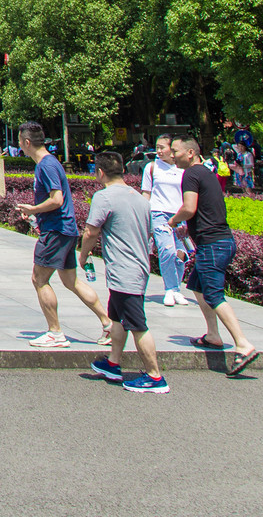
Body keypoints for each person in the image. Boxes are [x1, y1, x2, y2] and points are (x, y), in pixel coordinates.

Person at [166, 134, 260, 375]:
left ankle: (243, 344)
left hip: (212, 245)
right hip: (222, 241)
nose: (172, 155)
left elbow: (189, 207)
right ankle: (213, 335)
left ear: (190, 153)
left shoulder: (191, 174)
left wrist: (174, 220)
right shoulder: (206, 172)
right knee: (197, 286)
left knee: (215, 295)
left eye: (175, 151)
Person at [81, 151, 167, 393]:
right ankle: (113, 363)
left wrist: (83, 254)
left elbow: (91, 231)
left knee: (138, 324)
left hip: (124, 270)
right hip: (137, 266)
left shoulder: (104, 197)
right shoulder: (139, 198)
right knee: (117, 317)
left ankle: (155, 376)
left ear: (100, 172)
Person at [17, 121, 108, 348]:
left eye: (20, 142)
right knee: (71, 281)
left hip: (56, 232)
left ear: (27, 143)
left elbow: (56, 200)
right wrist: (37, 215)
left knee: (39, 279)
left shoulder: (46, 165)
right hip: (65, 230)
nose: (20, 146)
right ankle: (109, 324)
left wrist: (33, 209)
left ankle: (55, 333)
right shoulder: (50, 164)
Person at [139, 134, 186, 307]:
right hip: (159, 214)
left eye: (162, 147)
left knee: (181, 254)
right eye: (157, 147)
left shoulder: (183, 168)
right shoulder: (152, 168)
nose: (158, 151)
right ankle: (170, 289)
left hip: (181, 216)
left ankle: (176, 289)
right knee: (167, 251)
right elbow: (146, 194)